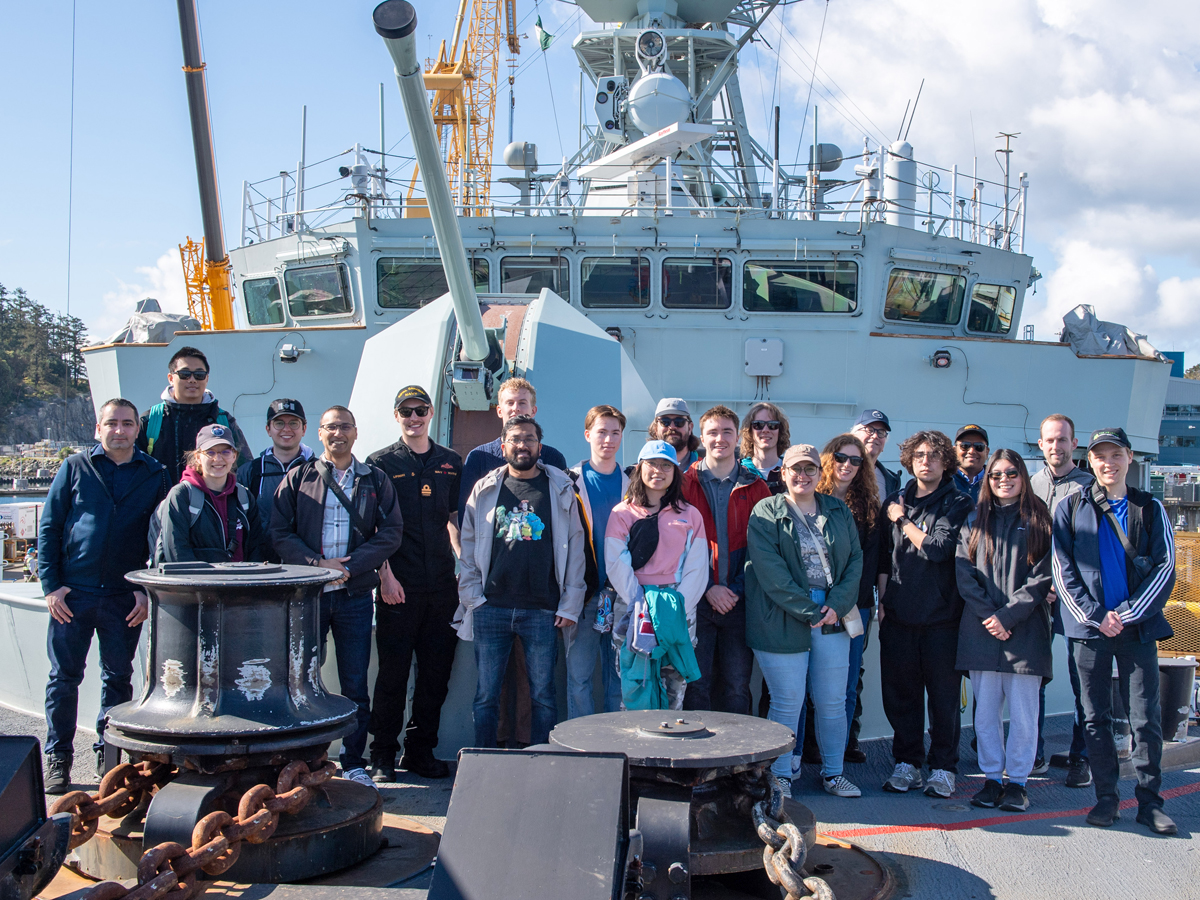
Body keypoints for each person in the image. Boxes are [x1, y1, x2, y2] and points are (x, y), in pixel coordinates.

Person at [1052, 427, 1178, 835]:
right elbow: (1062, 570)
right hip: (1090, 631)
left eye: (1116, 455)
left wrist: (1126, 613)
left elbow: (1166, 567)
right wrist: (1095, 616)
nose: (1109, 463)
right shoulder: (1070, 508)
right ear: (1090, 460)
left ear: (1129, 458)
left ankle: (1150, 802)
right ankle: (1106, 798)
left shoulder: (1150, 507)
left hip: (1136, 629)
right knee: (1094, 718)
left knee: (1145, 719)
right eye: (1101, 456)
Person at [38, 399, 168, 794]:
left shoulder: (155, 473)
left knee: (118, 678)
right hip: (72, 595)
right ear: (99, 428)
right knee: (64, 678)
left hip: (123, 596)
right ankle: (58, 757)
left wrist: (145, 590)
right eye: (112, 423)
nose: (119, 430)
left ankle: (107, 753)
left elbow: (160, 540)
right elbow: (50, 527)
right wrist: (51, 586)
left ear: (137, 430)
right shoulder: (75, 467)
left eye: (127, 424)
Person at [271, 406, 404, 790]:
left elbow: (391, 531)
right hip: (308, 598)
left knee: (355, 685)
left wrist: (351, 567)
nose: (338, 433)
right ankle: (305, 760)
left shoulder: (374, 479)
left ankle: (353, 762)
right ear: (320, 433)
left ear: (355, 432)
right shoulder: (299, 477)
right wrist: (317, 564)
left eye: (345, 427)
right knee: (301, 681)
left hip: (354, 596)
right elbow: (279, 532)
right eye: (331, 427)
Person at [457, 415, 586, 747]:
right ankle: (483, 760)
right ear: (503, 447)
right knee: (486, 695)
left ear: (540, 447)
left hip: (542, 610)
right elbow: (468, 545)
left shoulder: (560, 487)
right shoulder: (485, 488)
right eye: (515, 439)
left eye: (529, 439)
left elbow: (576, 548)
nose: (522, 445)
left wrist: (570, 603)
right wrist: (473, 597)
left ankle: (540, 758)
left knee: (543, 694)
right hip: (491, 607)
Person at [746, 444, 864, 798]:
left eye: (810, 469)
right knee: (787, 700)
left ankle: (834, 773)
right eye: (795, 469)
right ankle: (780, 775)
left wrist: (836, 605)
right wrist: (810, 611)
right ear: (783, 473)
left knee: (832, 702)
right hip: (782, 616)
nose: (802, 475)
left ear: (819, 473)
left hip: (832, 613)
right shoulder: (766, 511)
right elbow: (771, 573)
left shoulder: (838, 510)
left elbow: (855, 560)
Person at [366, 386, 462, 781]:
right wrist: (384, 575)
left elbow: (452, 518)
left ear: (431, 413)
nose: (414, 418)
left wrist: (463, 563)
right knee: (392, 675)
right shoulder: (379, 463)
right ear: (397, 416)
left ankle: (420, 752)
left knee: (435, 676)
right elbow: (373, 525)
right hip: (397, 586)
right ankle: (382, 755)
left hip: (441, 585)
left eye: (420, 410)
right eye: (406, 411)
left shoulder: (450, 462)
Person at [956, 451, 1054, 813]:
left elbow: (1042, 577)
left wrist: (1007, 617)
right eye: (996, 474)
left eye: (1011, 473)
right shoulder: (973, 519)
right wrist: (991, 617)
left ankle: (1018, 783)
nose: (1004, 480)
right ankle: (992, 779)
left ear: (1023, 476)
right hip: (982, 631)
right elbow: (964, 574)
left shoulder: (1040, 519)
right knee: (985, 715)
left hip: (1025, 633)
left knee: (1024, 716)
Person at [878, 430, 974, 798]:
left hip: (942, 620)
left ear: (946, 461)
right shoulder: (895, 500)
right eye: (919, 455)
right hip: (899, 616)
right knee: (901, 695)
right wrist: (883, 602)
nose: (926, 461)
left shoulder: (957, 502)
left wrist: (903, 521)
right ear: (909, 460)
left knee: (944, 700)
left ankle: (944, 768)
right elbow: (884, 557)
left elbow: (937, 548)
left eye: (934, 455)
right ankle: (908, 763)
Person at [606, 441, 708, 711]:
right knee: (634, 687)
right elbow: (616, 563)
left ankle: (670, 738)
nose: (658, 471)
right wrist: (642, 606)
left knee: (674, 688)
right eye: (652, 464)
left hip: (677, 608)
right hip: (633, 607)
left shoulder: (691, 515)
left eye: (666, 465)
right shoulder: (622, 513)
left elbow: (697, 569)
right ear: (640, 468)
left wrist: (674, 608)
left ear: (675, 472)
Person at [682, 406, 770, 713]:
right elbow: (676, 547)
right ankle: (694, 745)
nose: (720, 438)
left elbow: (764, 549)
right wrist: (708, 587)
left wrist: (735, 590)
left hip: (739, 603)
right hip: (696, 602)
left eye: (727, 432)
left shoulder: (756, 487)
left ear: (738, 438)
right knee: (696, 684)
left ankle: (737, 746)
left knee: (737, 686)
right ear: (702, 437)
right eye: (713, 432)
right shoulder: (683, 485)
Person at [1030, 413, 1095, 789]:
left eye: (1062, 439)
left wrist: (1066, 586)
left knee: (1082, 680)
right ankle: (1033, 752)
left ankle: (1082, 757)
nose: (1056, 446)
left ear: (1074, 443)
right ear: (1041, 444)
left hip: (1077, 601)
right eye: (1050, 440)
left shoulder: (1090, 487)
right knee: (1034, 678)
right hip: (1040, 598)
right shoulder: (1031, 484)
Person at [816, 434, 880, 767]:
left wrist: (845, 601)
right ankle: (811, 747)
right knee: (812, 679)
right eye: (841, 458)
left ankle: (840, 747)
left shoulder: (869, 507)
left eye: (856, 460)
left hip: (855, 605)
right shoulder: (811, 499)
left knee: (848, 679)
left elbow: (870, 561)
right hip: (815, 602)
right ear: (828, 459)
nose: (847, 465)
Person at [565, 405, 628, 718]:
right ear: (588, 435)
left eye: (615, 433)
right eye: (602, 432)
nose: (608, 439)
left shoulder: (634, 483)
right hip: (586, 595)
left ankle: (617, 740)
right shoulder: (569, 482)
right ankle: (581, 740)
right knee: (579, 677)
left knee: (619, 677)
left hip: (623, 596)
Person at [152, 424, 268, 564]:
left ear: (234, 456)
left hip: (240, 577)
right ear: (198, 457)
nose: (218, 459)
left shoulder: (244, 497)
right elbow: (177, 553)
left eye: (225, 452)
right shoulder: (182, 496)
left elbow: (256, 548)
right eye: (210, 452)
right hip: (195, 578)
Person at [137, 346, 252, 484]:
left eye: (199, 375)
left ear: (207, 378)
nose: (192, 380)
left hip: (215, 498)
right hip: (162, 498)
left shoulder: (223, 419)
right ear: (171, 378)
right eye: (184, 374)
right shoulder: (151, 421)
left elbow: (245, 469)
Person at [237, 399, 314, 540]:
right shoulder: (250, 471)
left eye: (293, 423)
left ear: (304, 429)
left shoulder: (318, 470)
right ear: (268, 429)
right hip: (262, 552)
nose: (286, 429)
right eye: (279, 423)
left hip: (306, 553)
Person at [739, 401, 790, 492]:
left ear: (780, 431)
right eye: (758, 425)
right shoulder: (738, 470)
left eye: (772, 425)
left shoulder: (791, 470)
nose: (765, 430)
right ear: (749, 431)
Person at [851, 409, 901, 501]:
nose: (875, 436)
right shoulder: (840, 470)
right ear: (853, 436)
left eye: (881, 432)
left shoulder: (891, 480)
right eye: (869, 430)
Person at [648, 398, 702, 469]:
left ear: (690, 428)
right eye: (665, 421)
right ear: (656, 429)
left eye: (679, 421)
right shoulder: (642, 471)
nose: (672, 427)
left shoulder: (707, 470)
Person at [953, 425, 990, 503]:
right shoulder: (942, 480)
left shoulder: (996, 482)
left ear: (987, 452)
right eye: (965, 446)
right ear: (954, 451)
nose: (971, 451)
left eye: (979, 446)